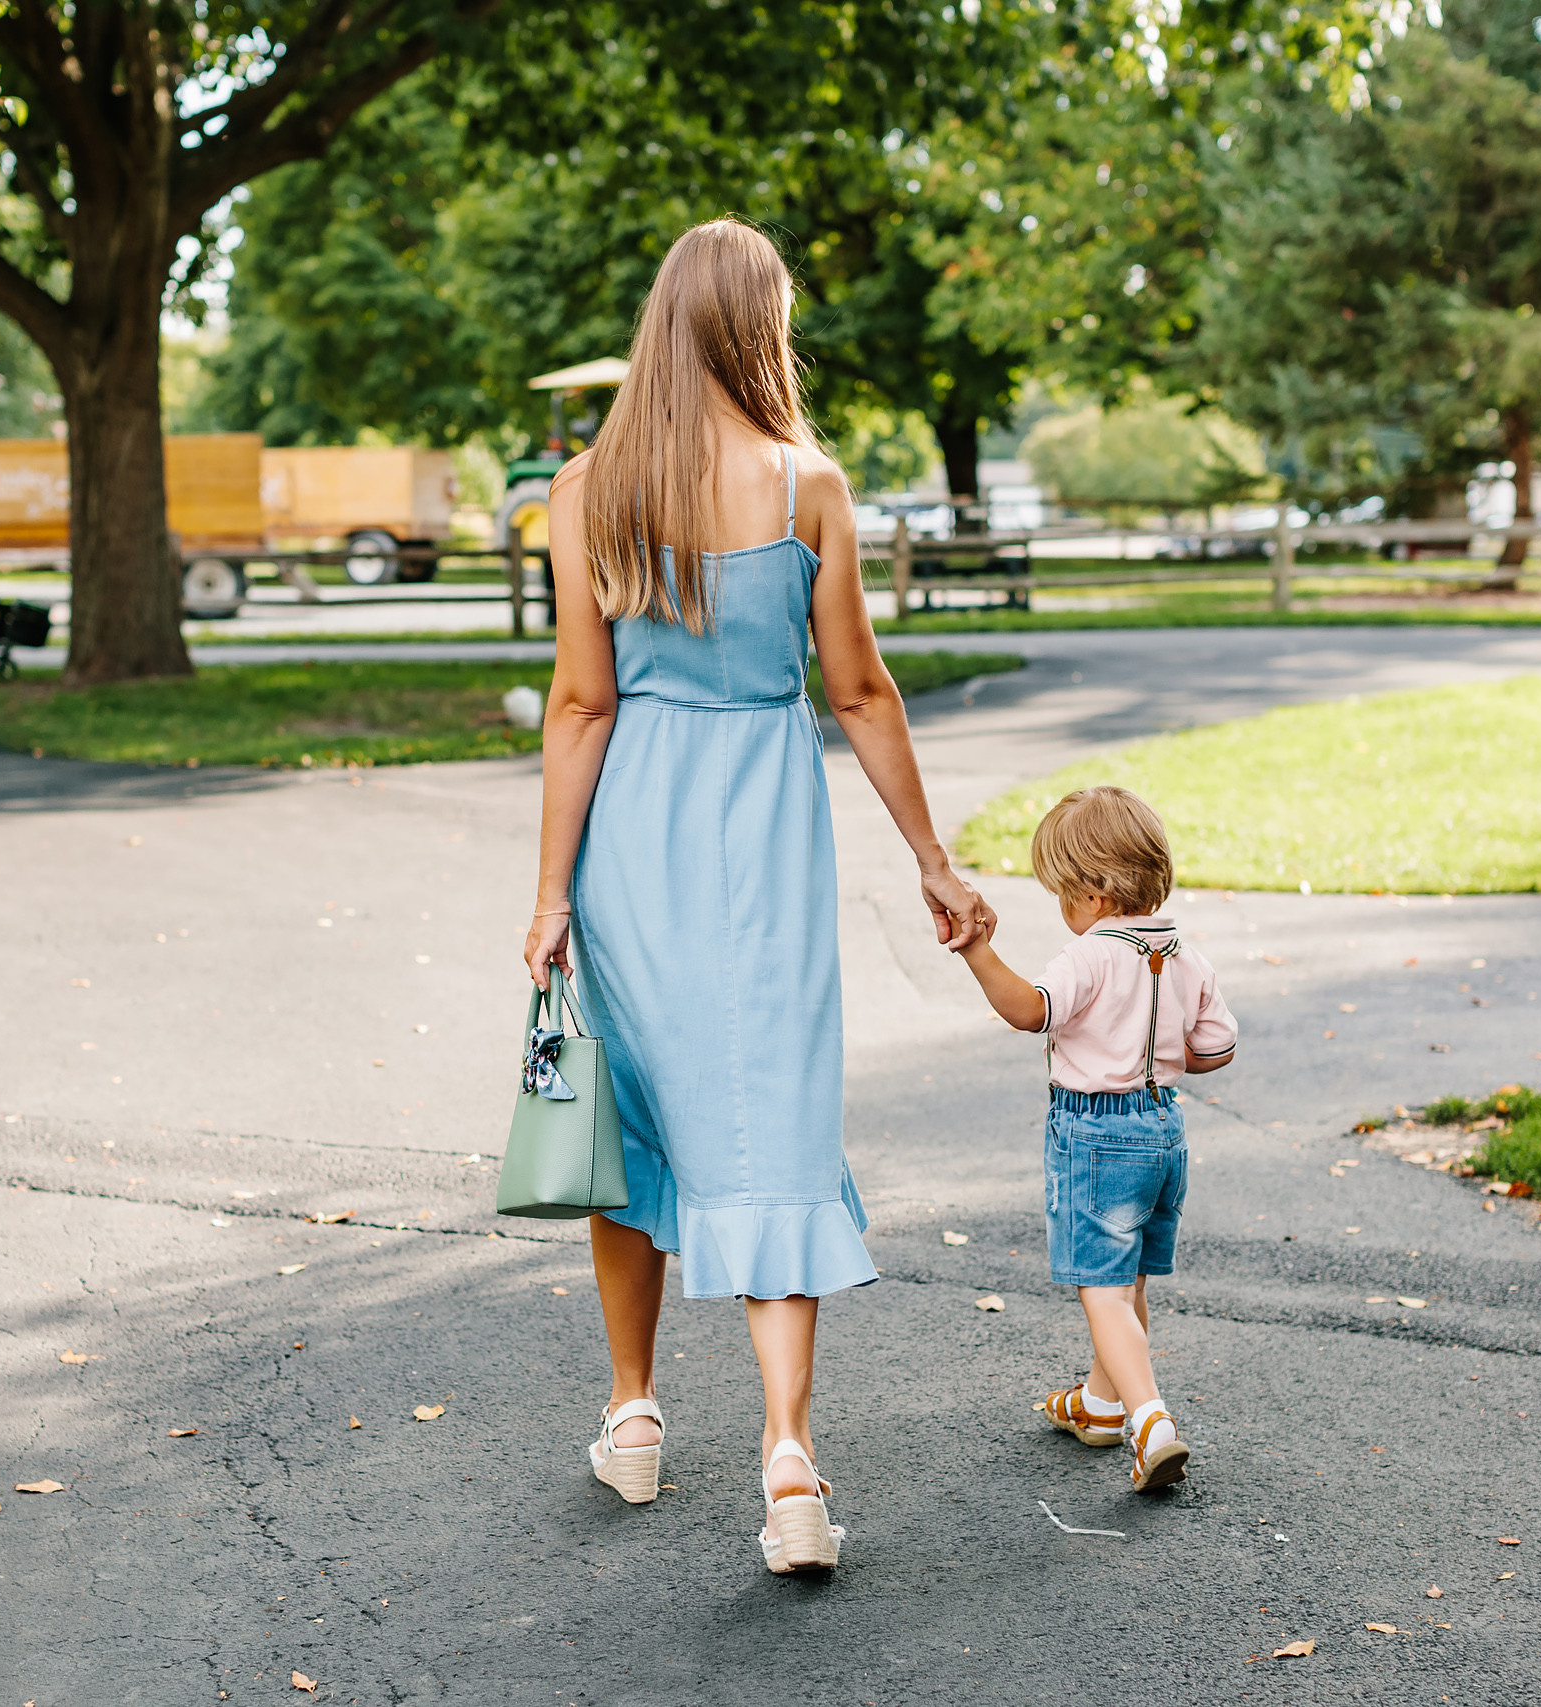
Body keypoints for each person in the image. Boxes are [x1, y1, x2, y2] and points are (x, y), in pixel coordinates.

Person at [522, 217, 989, 1575]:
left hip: (634, 841)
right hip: (767, 836)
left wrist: (551, 891)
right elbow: (857, 691)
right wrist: (932, 859)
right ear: (758, 327)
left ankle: (637, 1411)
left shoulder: (585, 491)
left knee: (637, 1116)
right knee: (770, 1119)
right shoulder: (808, 489)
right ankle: (790, 1457)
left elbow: (580, 703)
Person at [944, 786, 1237, 1494]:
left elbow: (1029, 1010)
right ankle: (1104, 1403)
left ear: (1095, 892)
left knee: (1101, 1290)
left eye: (1063, 894)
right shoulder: (1186, 955)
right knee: (1128, 1276)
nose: (1064, 910)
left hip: (1097, 1133)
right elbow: (1218, 1046)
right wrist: (1158, 1053)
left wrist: (978, 951)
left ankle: (1150, 1421)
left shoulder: (1091, 954)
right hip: (1163, 1127)